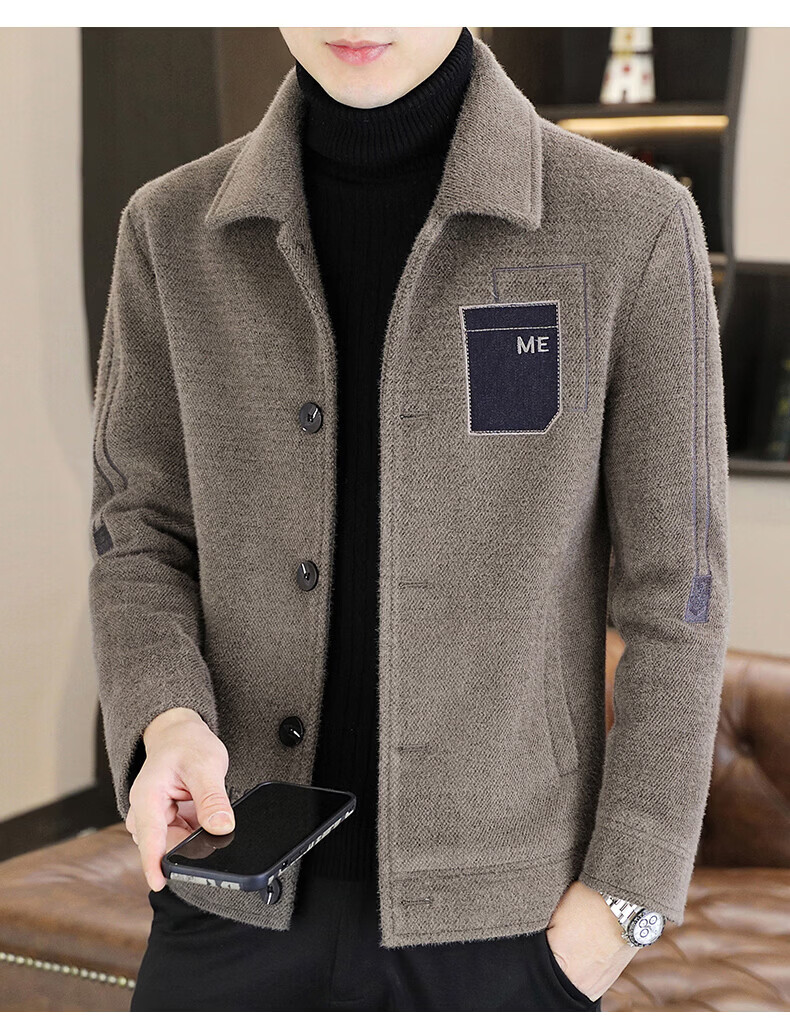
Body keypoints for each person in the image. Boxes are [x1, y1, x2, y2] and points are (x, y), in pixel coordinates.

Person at [88, 27, 731, 1011]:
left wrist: (623, 906)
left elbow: (678, 591)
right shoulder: (168, 228)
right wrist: (164, 716)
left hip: (507, 937)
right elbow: (138, 533)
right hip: (224, 898)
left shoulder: (632, 222)